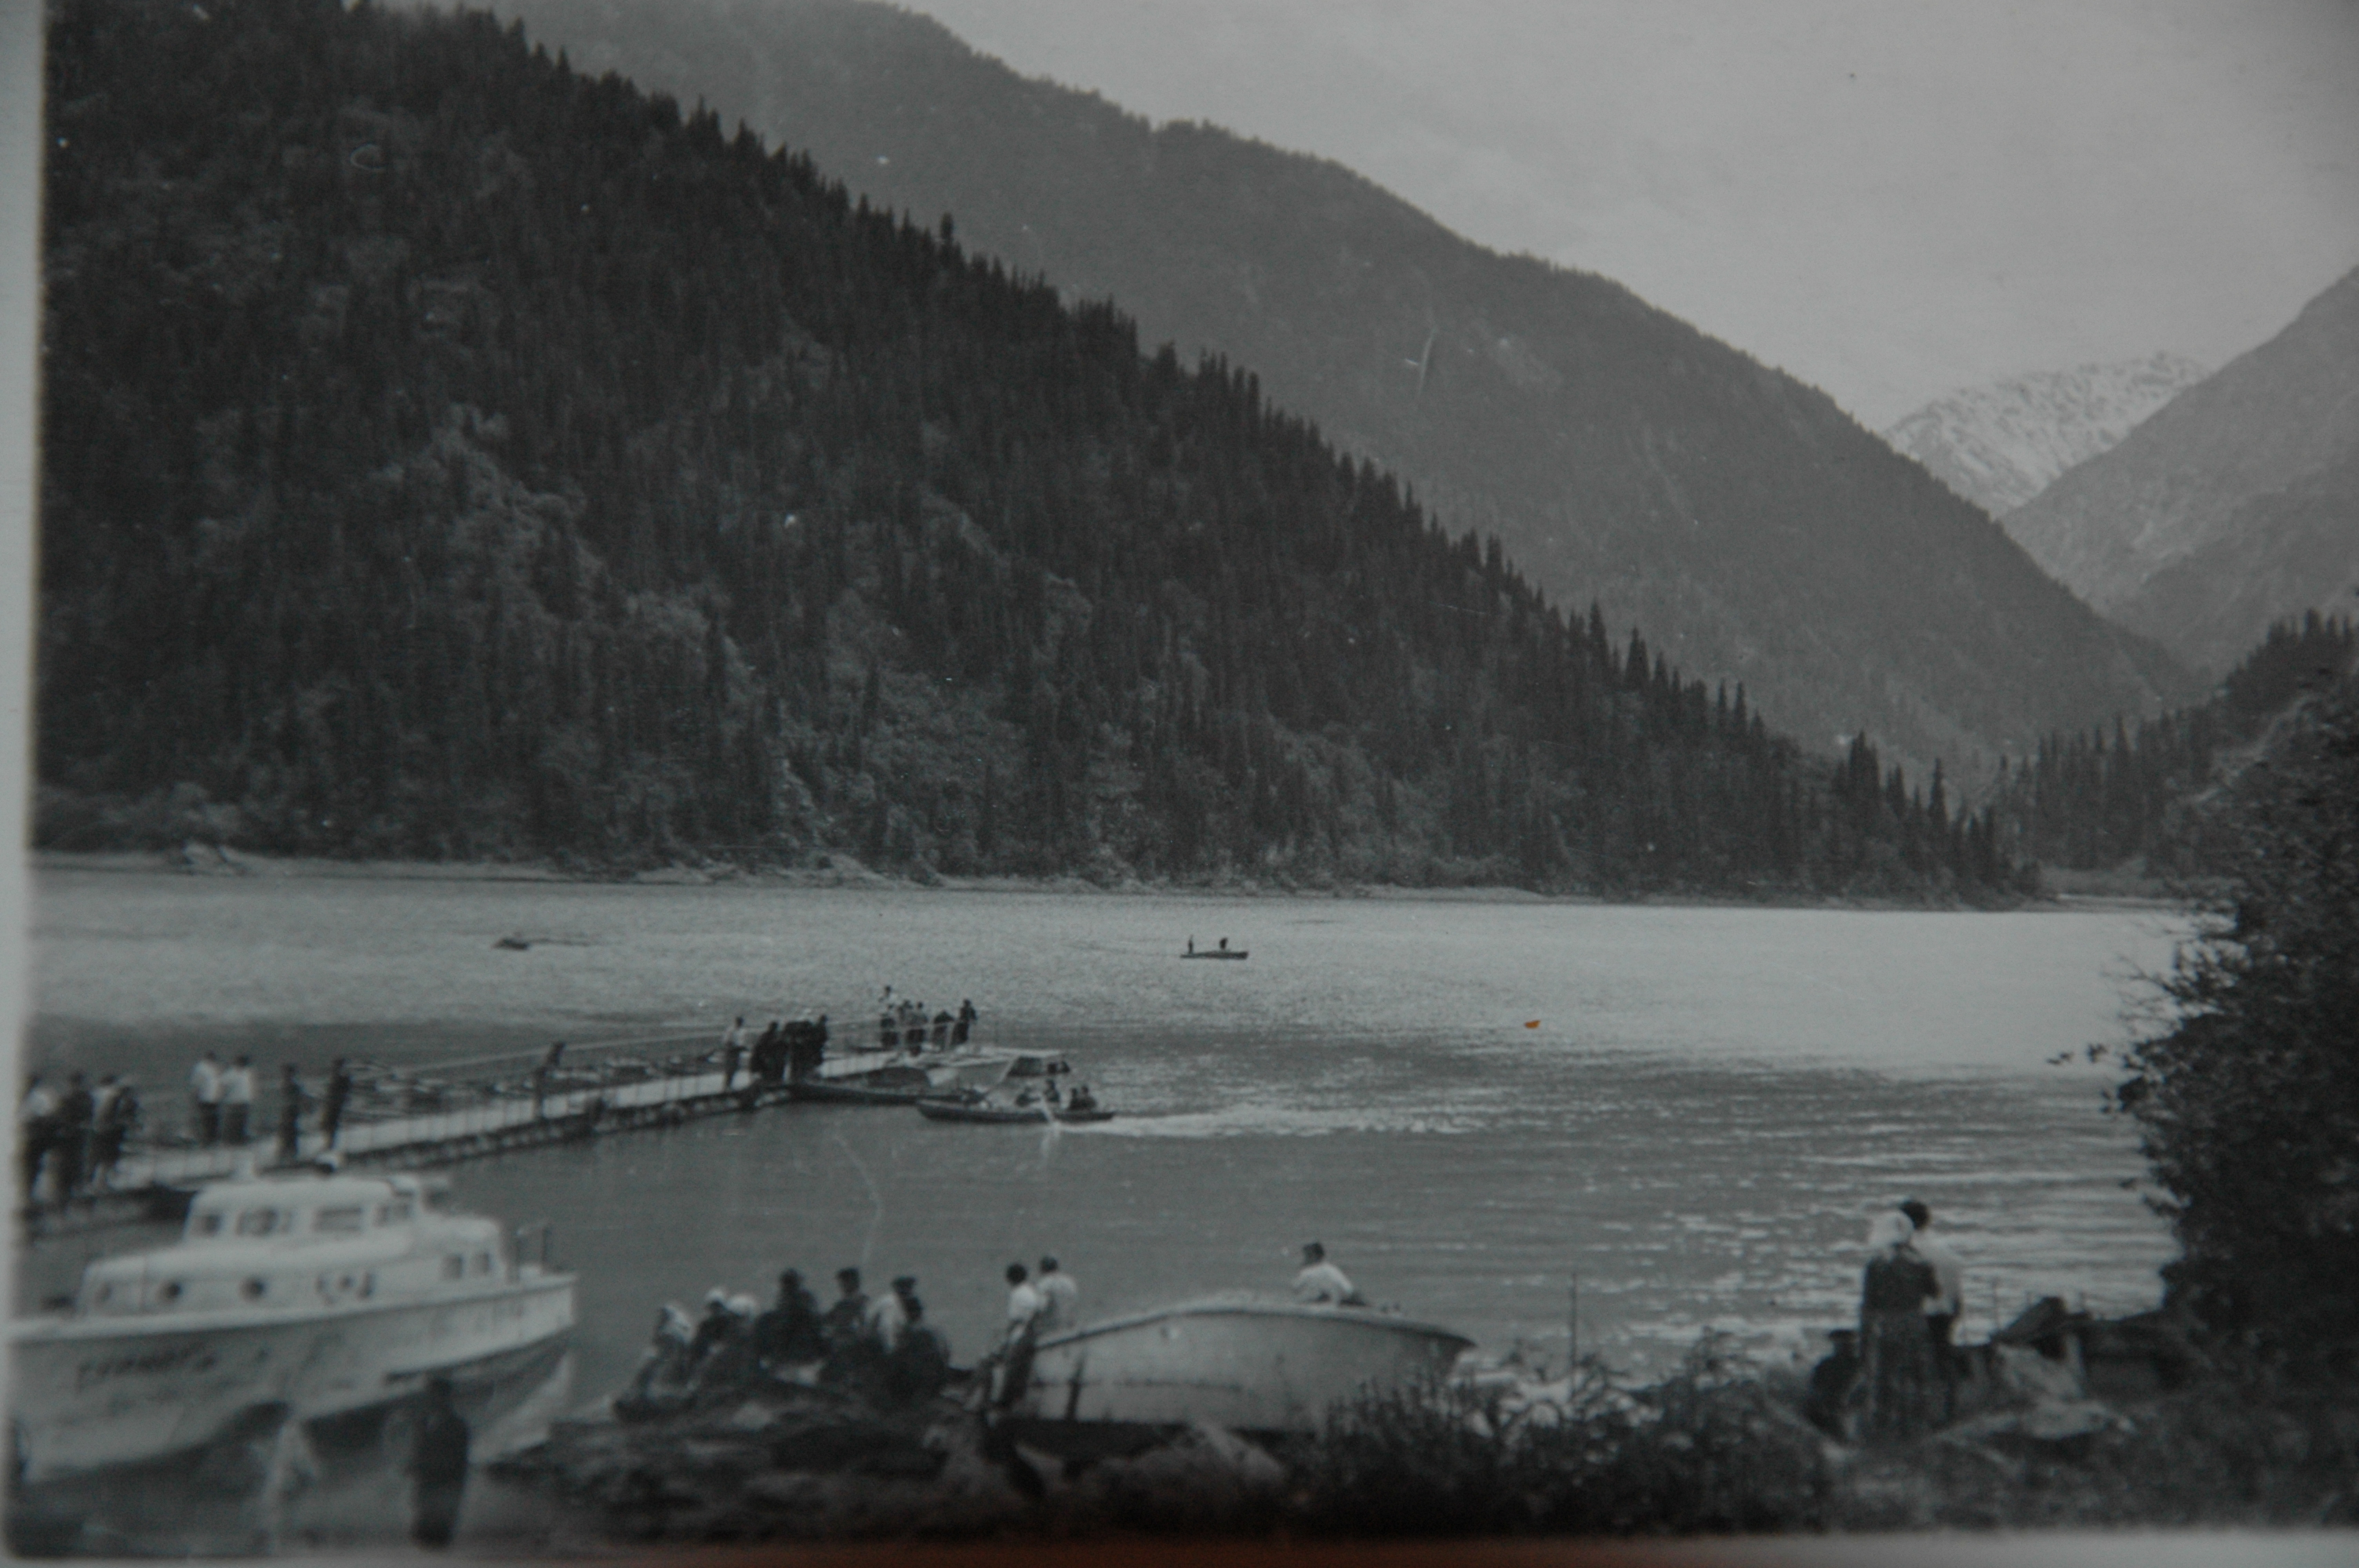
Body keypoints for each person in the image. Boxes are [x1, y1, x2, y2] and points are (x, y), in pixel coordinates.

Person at [1857, 1210, 1942, 1444]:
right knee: (1916, 1376)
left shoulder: (1876, 1265)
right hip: (1914, 1323)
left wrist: (1864, 1337)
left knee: (1884, 1377)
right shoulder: (1920, 1263)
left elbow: (1868, 1304)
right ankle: (1917, 1428)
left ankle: (1882, 1430)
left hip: (1886, 1325)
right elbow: (1935, 1292)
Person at [1899, 1199, 1967, 1419]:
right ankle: (1949, 1410)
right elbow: (1957, 1302)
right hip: (1943, 1317)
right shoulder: (1947, 1254)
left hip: (1914, 1317)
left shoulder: (1902, 1255)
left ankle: (1917, 1415)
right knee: (1942, 1364)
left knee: (1911, 1371)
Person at [407, 1374, 471, 1549]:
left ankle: (435, 1534)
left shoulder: (456, 1426)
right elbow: (420, 1450)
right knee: (425, 1532)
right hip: (429, 1483)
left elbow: (458, 1459)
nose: (433, 1400)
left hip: (444, 1482)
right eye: (431, 1395)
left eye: (437, 1395)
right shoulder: (424, 1423)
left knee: (437, 1530)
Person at [886, 1279, 951, 1403]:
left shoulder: (912, 1331)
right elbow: (946, 1352)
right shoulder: (933, 1328)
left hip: (925, 1382)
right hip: (941, 1378)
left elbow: (898, 1356)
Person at [752, 1269, 826, 1369]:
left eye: (790, 1282)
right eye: (786, 1283)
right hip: (785, 1336)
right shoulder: (784, 1298)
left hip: (801, 1336)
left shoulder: (804, 1298)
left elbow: (809, 1317)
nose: (787, 1286)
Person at [91, 1075, 138, 1191]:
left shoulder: (125, 1101)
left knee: (107, 1158)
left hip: (112, 1132)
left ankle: (102, 1181)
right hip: (109, 1132)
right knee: (106, 1157)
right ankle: (101, 1182)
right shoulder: (116, 1099)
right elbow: (108, 1116)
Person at [53, 1073, 94, 1201]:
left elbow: (60, 1117)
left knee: (73, 1162)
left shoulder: (71, 1098)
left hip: (74, 1134)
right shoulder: (83, 1098)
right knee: (72, 1162)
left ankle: (69, 1190)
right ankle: (68, 1190)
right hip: (75, 1134)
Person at [18, 1074, 56, 1205]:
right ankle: (30, 1192)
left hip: (33, 1135)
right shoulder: (35, 1096)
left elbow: (44, 1116)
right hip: (31, 1134)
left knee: (32, 1165)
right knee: (32, 1165)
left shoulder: (36, 1097)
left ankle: (31, 1193)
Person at [1293, 1241, 1363, 1305]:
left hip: (1315, 1308)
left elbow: (1295, 1288)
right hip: (1336, 1306)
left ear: (1312, 1256)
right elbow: (1349, 1291)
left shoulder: (1307, 1272)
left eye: (1307, 1256)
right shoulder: (1333, 1270)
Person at [275, 1065, 310, 1164]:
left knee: (289, 1131)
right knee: (287, 1131)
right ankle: (287, 1152)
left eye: (286, 1072)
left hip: (291, 1110)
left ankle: (288, 1152)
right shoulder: (289, 1084)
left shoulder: (293, 1084)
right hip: (288, 1110)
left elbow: (299, 1098)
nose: (284, 1074)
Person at [1035, 1256, 1079, 1334]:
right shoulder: (1069, 1281)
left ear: (1042, 1269)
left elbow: (1040, 1308)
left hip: (1051, 1329)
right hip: (1070, 1326)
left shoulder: (1044, 1284)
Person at [220, 1056, 256, 1147]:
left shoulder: (248, 1072)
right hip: (233, 1102)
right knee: (233, 1122)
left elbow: (251, 1086)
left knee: (242, 1122)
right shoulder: (230, 1073)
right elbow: (223, 1085)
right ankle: (231, 1140)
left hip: (244, 1101)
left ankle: (240, 1140)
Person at [190, 1051, 223, 1147]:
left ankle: (212, 1139)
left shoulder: (214, 1067)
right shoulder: (202, 1068)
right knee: (207, 1119)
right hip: (206, 1098)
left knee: (212, 1119)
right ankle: (207, 1139)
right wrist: (196, 1095)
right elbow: (196, 1083)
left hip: (213, 1098)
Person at [320, 1059, 353, 1149]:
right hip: (332, 1103)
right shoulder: (338, 1077)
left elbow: (343, 1091)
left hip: (335, 1104)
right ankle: (329, 1143)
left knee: (330, 1123)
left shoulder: (342, 1078)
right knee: (327, 1123)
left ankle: (330, 1143)